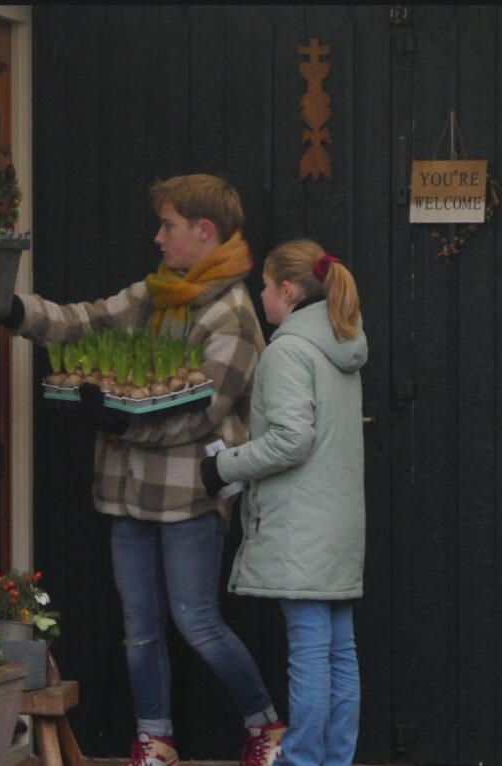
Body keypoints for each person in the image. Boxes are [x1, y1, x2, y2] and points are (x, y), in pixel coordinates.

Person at [3, 174, 285, 766]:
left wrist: (116, 421)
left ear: (204, 230)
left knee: (197, 622)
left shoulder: (232, 316)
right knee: (139, 628)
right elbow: (82, 321)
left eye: (168, 225)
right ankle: (155, 741)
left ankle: (266, 727)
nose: (158, 237)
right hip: (124, 492)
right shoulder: (155, 294)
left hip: (189, 496)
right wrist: (14, 310)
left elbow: (199, 417)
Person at [200, 239, 367, 766]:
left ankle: (301, 760)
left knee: (311, 652)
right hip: (338, 524)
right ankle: (334, 759)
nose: (262, 295)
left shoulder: (288, 351)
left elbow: (292, 441)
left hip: (302, 528)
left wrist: (222, 466)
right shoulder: (341, 347)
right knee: (340, 651)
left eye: (267, 286)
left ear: (288, 291)